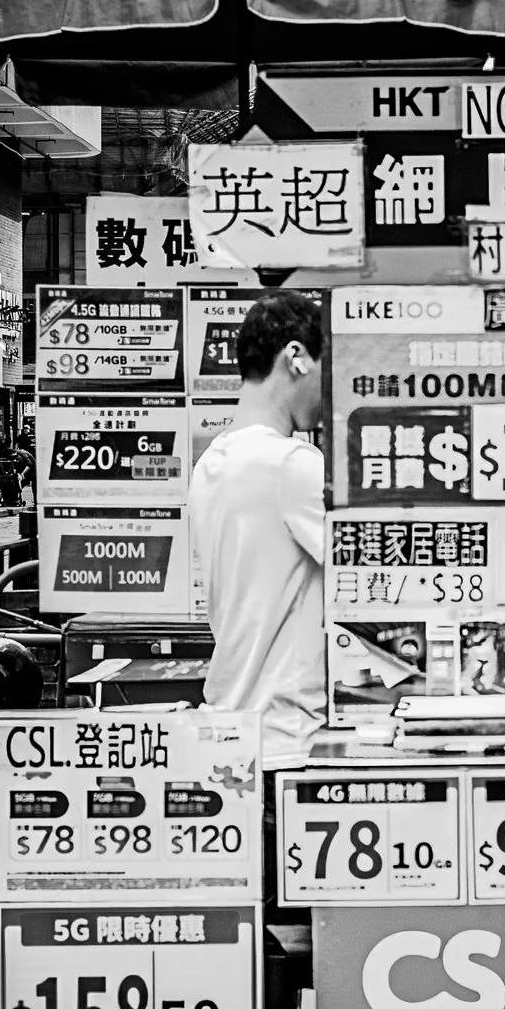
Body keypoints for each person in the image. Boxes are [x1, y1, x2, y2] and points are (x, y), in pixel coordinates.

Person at [187, 292, 328, 768]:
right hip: (288, 740)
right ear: (297, 357)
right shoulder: (289, 465)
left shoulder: (211, 464)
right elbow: (378, 570)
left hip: (231, 733)